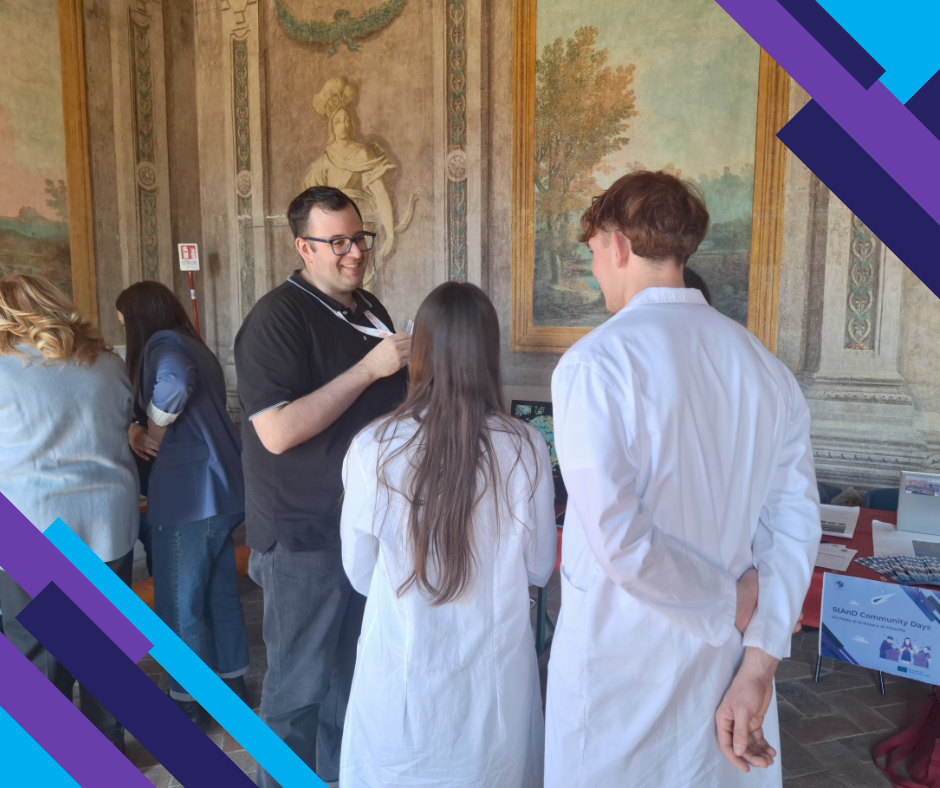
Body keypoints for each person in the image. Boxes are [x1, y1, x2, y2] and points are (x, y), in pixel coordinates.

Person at [544, 171, 820, 787]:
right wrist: (760, 664)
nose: (595, 271)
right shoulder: (765, 369)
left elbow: (618, 538)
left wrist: (729, 604)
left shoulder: (594, 364)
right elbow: (796, 527)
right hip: (730, 660)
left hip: (623, 660)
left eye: (594, 253)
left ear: (617, 244)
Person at [339, 282, 557, 787]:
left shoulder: (373, 446)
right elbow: (540, 566)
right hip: (493, 679)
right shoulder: (524, 445)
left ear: (419, 351)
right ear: (488, 352)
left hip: (400, 671)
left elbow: (359, 573)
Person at [234, 186, 411, 788]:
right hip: (305, 537)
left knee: (351, 683)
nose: (354, 252)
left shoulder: (369, 308)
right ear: (303, 248)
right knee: (297, 692)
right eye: (337, 242)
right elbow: (278, 432)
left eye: (359, 238)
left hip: (364, 528)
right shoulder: (276, 319)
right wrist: (369, 370)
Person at [0, 274, 139, 752]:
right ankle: (109, 748)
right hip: (106, 522)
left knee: (37, 651)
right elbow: (120, 427)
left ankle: (55, 756)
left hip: (31, 522)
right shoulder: (108, 363)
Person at [116, 281, 248, 730]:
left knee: (178, 602)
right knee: (218, 594)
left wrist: (151, 430)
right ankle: (232, 686)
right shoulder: (193, 343)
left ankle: (187, 701)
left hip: (190, 496)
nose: (124, 330)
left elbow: (172, 384)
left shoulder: (161, 344)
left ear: (139, 320)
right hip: (223, 491)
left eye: (123, 323)